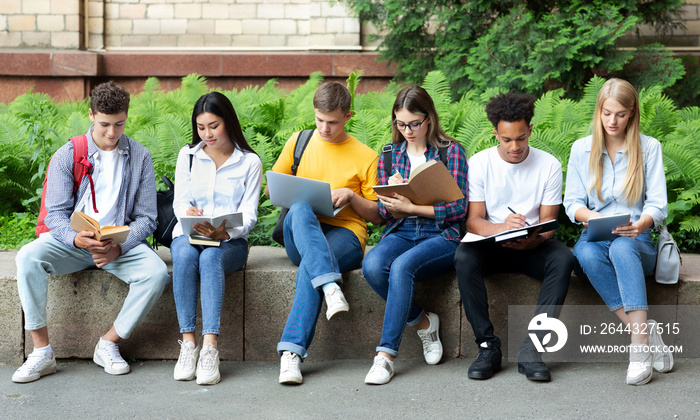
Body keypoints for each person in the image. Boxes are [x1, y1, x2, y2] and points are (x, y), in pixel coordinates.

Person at [13, 81, 170, 383]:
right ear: (91, 115)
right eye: (104, 124)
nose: (112, 133)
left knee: (156, 273)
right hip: (72, 243)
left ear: (126, 117)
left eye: (119, 124)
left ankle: (109, 342)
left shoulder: (140, 157)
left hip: (117, 243)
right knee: (28, 257)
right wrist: (74, 238)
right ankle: (41, 351)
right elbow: (56, 214)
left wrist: (118, 248)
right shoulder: (67, 155)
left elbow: (147, 218)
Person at [266, 81, 382, 384]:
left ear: (348, 116)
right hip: (300, 229)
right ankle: (331, 286)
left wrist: (352, 197)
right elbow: (272, 190)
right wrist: (295, 194)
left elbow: (379, 216)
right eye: (319, 120)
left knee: (312, 265)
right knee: (302, 208)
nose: (324, 128)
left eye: (331, 122)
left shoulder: (365, 156)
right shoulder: (299, 141)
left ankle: (290, 355)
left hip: (346, 234)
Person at [454, 92, 574, 382]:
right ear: (495, 133)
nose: (515, 147)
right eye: (506, 139)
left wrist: (537, 239)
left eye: (521, 138)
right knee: (463, 256)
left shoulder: (549, 165)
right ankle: (487, 348)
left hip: (531, 246)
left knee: (563, 257)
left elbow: (548, 222)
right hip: (492, 245)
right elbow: (473, 221)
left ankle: (533, 349)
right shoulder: (481, 163)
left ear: (530, 130)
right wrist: (503, 227)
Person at [563, 78, 673, 385]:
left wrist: (638, 225)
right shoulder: (581, 150)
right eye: (607, 113)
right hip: (595, 235)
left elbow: (658, 204)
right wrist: (594, 216)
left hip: (638, 239)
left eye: (621, 114)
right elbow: (571, 202)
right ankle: (646, 332)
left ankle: (639, 350)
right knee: (583, 251)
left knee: (622, 247)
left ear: (632, 114)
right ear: (598, 111)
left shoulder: (648, 147)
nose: (613, 121)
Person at [362, 86, 467, 385]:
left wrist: (414, 205)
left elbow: (459, 208)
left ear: (429, 119)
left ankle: (385, 357)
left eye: (414, 123)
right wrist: (393, 199)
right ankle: (423, 321)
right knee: (372, 265)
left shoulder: (450, 151)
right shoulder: (388, 155)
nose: (407, 130)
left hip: (441, 234)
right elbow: (385, 215)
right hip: (402, 229)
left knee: (402, 266)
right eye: (400, 123)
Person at [170, 92, 263, 385]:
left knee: (211, 257)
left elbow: (249, 214)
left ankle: (210, 347)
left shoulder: (249, 162)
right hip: (190, 234)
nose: (207, 134)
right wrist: (187, 211)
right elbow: (178, 201)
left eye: (213, 125)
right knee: (184, 254)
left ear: (228, 122)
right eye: (201, 127)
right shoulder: (188, 156)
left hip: (229, 242)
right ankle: (188, 343)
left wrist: (224, 231)